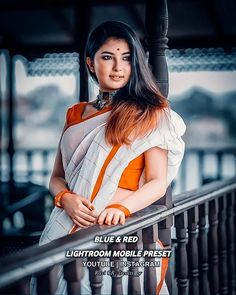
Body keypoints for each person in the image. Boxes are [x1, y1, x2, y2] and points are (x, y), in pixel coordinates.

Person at [34, 21, 186, 295]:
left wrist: (123, 208)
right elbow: (57, 177)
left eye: (127, 59)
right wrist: (64, 198)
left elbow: (157, 182)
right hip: (67, 226)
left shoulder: (148, 113)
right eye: (108, 57)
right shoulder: (75, 114)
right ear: (91, 63)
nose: (118, 67)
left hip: (118, 230)